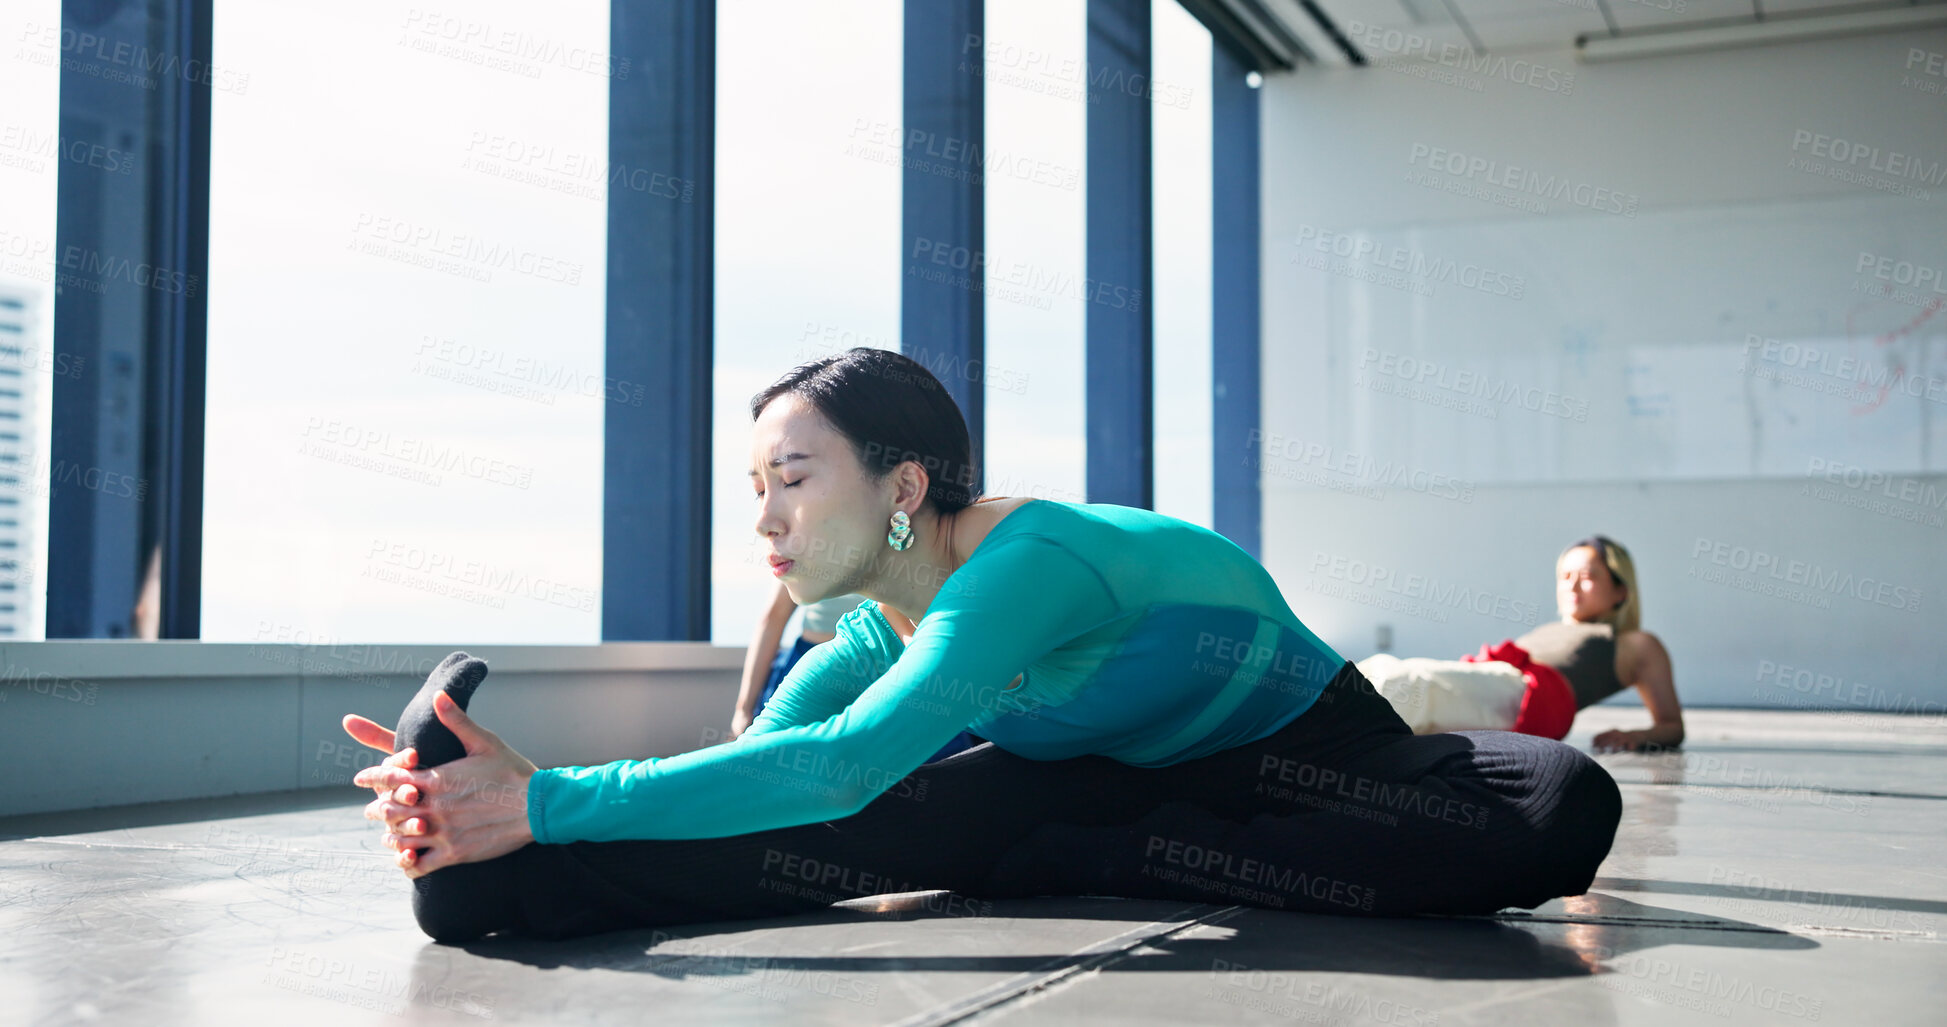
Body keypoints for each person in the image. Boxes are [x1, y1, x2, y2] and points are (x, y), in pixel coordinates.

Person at [341, 347, 1622, 944]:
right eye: (754, 485)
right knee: (829, 833)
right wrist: (500, 806)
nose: (765, 517)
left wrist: (558, 798)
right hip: (1093, 791)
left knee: (1563, 802)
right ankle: (495, 885)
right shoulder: (862, 633)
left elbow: (843, 766)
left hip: (1306, 753)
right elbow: (787, 775)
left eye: (794, 477)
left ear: (903, 485)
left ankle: (1116, 856)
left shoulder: (1027, 564)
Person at [1357, 536, 1682, 753]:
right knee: (1382, 670)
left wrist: (1635, 737)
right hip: (1498, 682)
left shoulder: (1637, 643)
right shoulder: (1554, 628)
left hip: (1527, 698)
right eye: (1564, 576)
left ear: (1621, 590)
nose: (1572, 586)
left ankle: (1330, 714)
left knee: (1413, 682)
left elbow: (1671, 725)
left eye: (1588, 576)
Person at [733, 583, 975, 758]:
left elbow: (773, 617)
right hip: (881, 659)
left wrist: (744, 711)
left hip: (882, 660)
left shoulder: (800, 533)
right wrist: (743, 709)